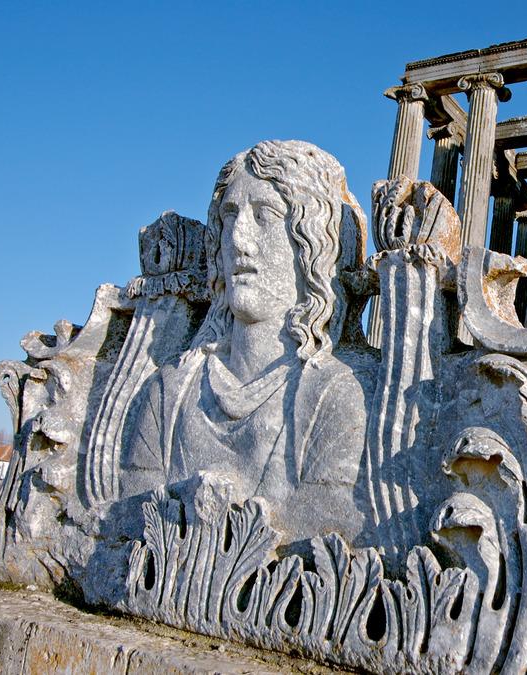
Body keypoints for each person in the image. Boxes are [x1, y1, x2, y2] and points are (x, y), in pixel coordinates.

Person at [120, 140, 376, 544]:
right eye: (230, 215)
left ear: (311, 244)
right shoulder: (170, 393)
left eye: (264, 215)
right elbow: (127, 522)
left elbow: (326, 534)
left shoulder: (335, 395)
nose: (239, 238)